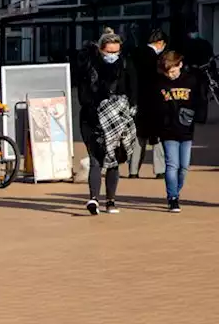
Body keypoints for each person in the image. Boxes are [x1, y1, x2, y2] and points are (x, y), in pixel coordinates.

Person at [76, 31, 137, 215]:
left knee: (113, 160)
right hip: (92, 118)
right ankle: (93, 198)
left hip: (118, 120)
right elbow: (83, 93)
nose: (112, 55)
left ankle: (110, 200)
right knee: (95, 159)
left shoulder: (126, 65)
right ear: (101, 50)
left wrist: (129, 111)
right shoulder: (89, 66)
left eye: (116, 52)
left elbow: (134, 91)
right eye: (109, 52)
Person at [143, 51, 208, 212]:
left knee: (184, 166)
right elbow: (152, 108)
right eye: (167, 72)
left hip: (186, 129)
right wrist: (152, 130)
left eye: (172, 71)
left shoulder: (191, 81)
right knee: (172, 164)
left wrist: (199, 116)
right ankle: (172, 197)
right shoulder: (158, 83)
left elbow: (200, 101)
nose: (170, 75)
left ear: (180, 65)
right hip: (167, 130)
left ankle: (176, 191)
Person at [129, 29, 168, 179]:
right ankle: (159, 169)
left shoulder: (135, 54)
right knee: (157, 137)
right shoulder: (158, 59)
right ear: (160, 43)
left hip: (138, 100)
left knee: (139, 137)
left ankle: (133, 170)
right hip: (155, 101)